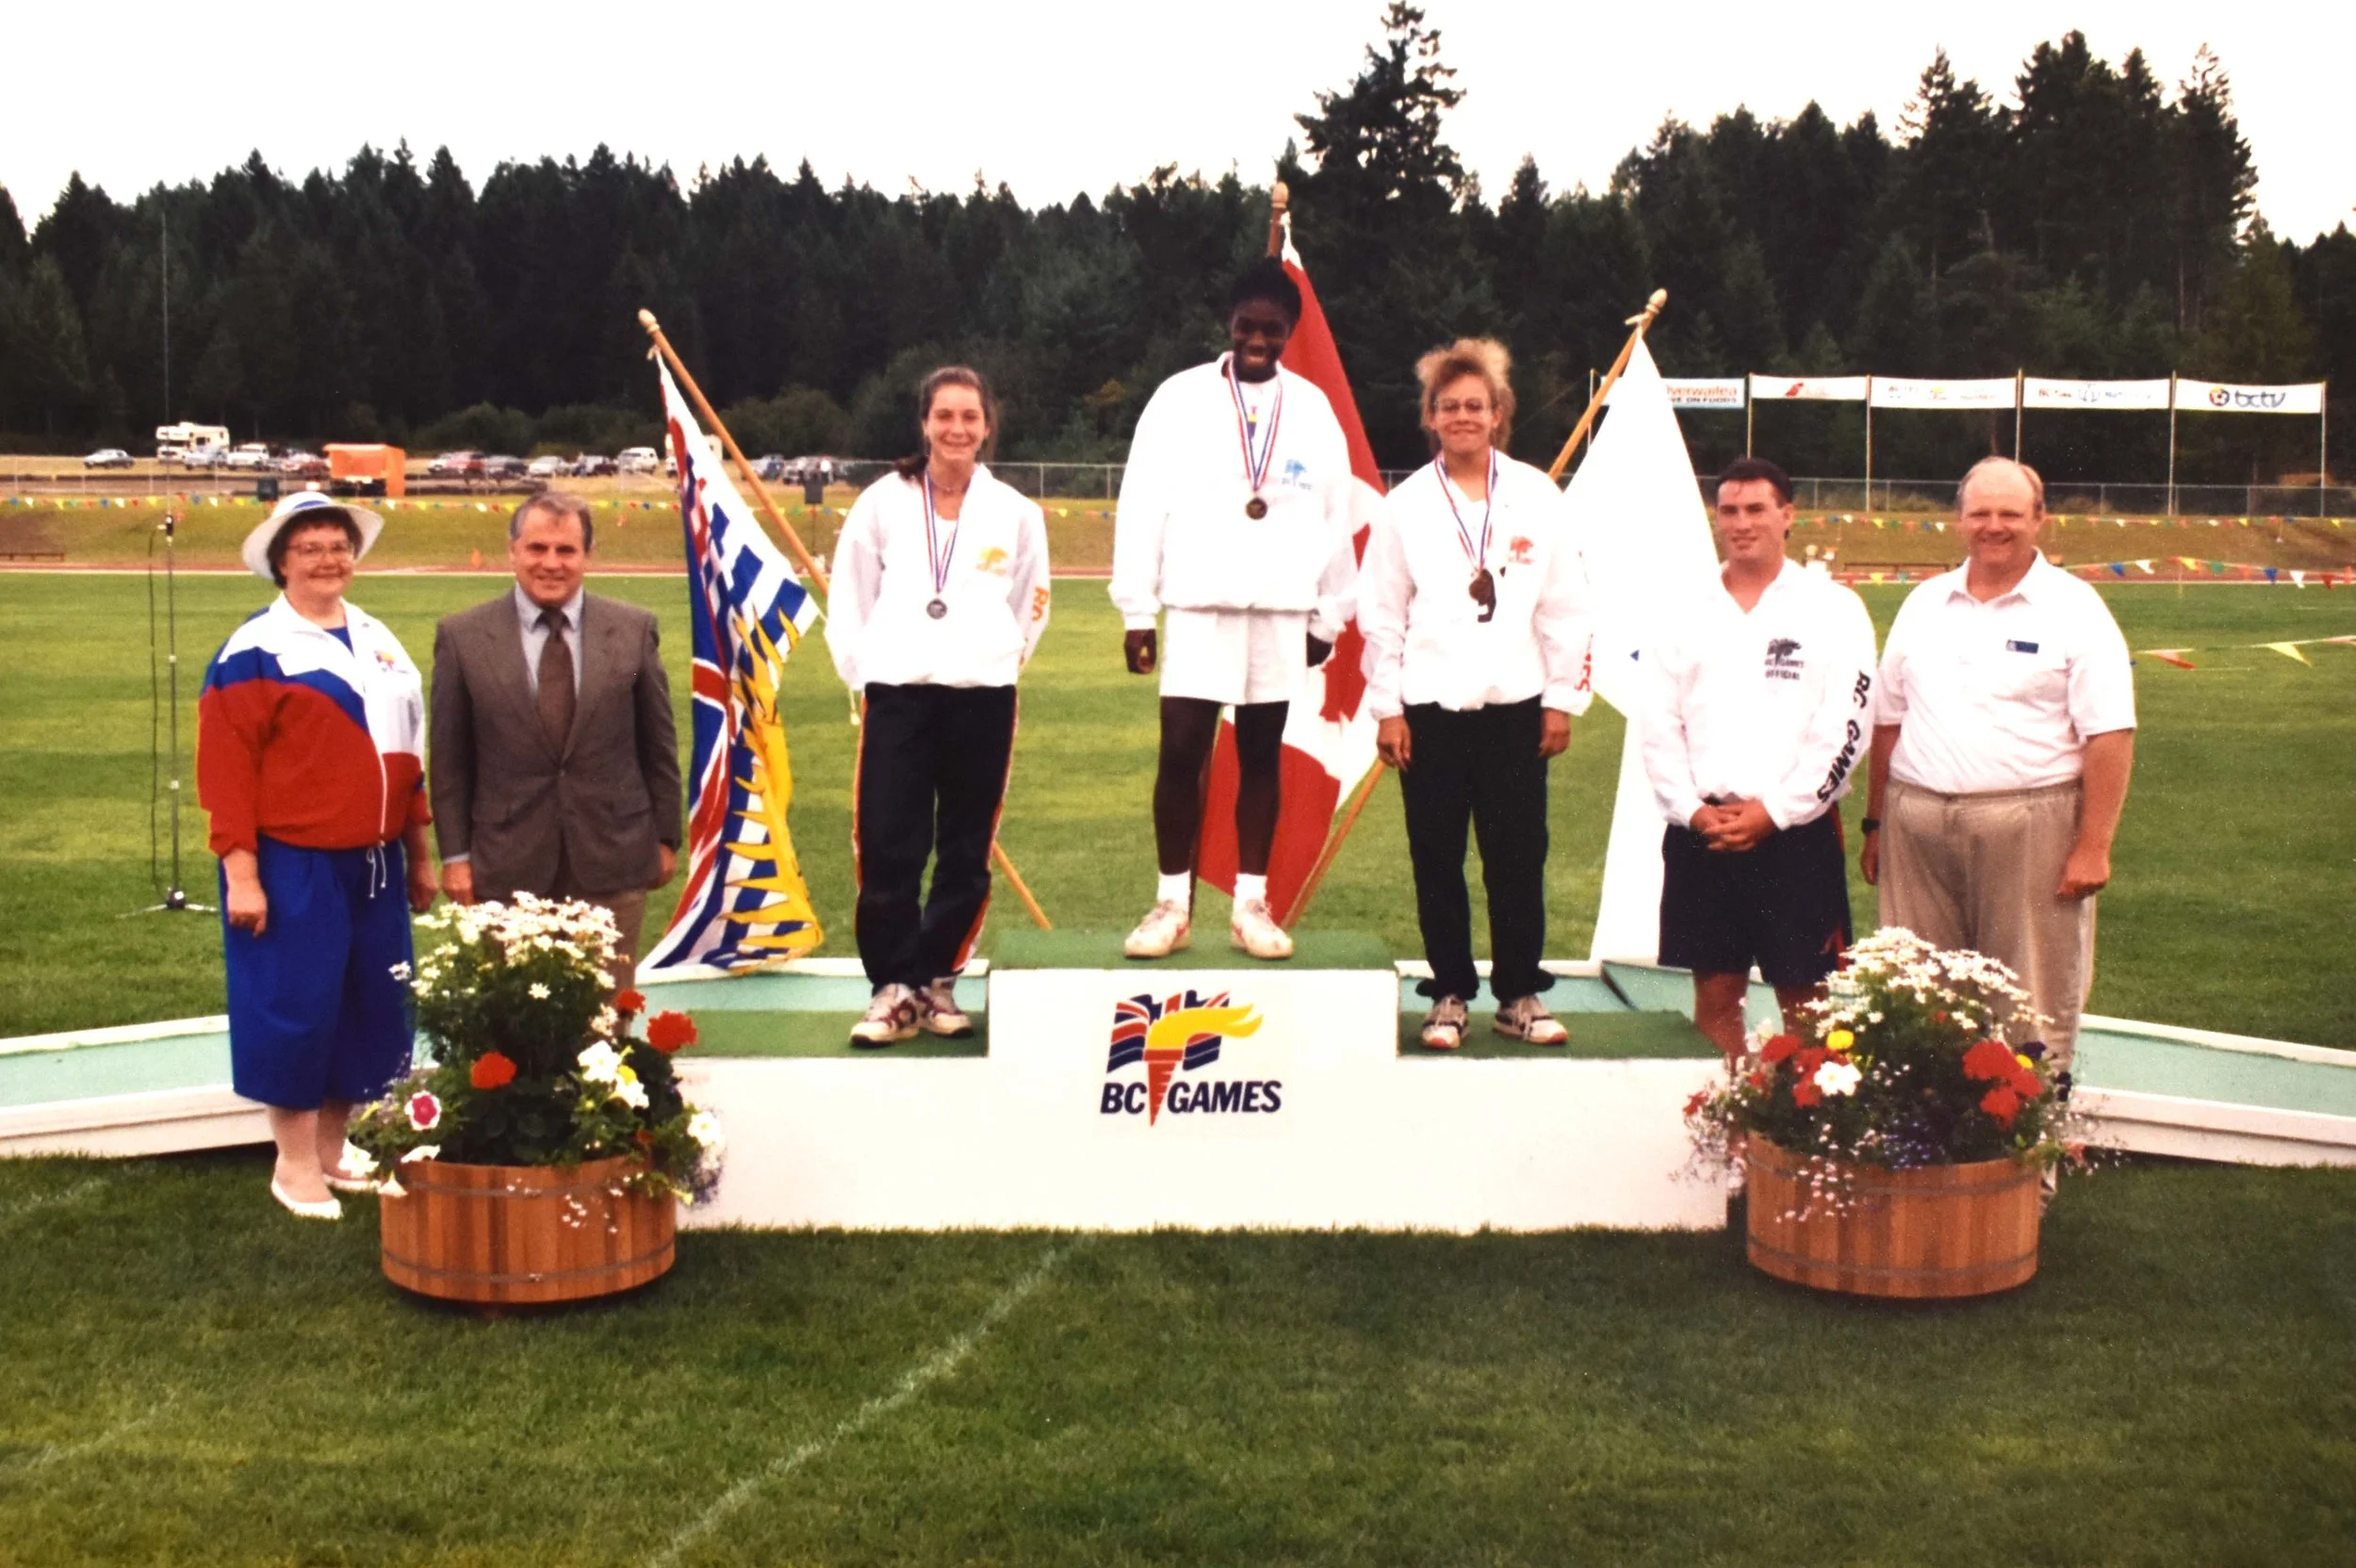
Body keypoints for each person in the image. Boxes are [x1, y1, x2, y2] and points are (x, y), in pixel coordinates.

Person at [198, 491, 438, 1220]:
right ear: (281, 563)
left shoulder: (378, 639)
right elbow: (225, 772)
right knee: (296, 1007)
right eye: (311, 548)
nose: (329, 559)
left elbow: (408, 758)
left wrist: (418, 854)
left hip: (376, 862)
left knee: (369, 1004)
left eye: (339, 545)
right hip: (292, 863)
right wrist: (243, 874)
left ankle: (334, 1150)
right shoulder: (253, 651)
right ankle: (294, 1164)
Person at [1110, 258, 1359, 960]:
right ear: (1229, 323)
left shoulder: (1312, 409)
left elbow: (1333, 516)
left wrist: (1326, 616)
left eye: (1272, 329)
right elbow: (1142, 503)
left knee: (1260, 756)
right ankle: (1169, 901)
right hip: (1198, 606)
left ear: (1289, 330)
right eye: (1248, 326)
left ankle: (1252, 901)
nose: (1259, 339)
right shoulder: (1178, 399)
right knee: (1182, 753)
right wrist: (1136, 608)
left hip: (1280, 610)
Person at [1360, 338, 1595, 1049]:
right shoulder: (1403, 506)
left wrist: (1561, 699)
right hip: (1429, 710)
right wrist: (1388, 709)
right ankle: (1450, 993)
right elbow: (1381, 612)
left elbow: (1565, 604)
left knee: (1518, 856)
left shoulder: (1536, 494)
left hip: (1515, 709)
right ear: (1430, 418)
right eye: (1449, 406)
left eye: (1476, 405)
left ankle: (1519, 992)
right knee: (1436, 857)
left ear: (1498, 414)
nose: (1463, 416)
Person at [1862, 456, 2135, 1066]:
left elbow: (2111, 734)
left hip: (2030, 826)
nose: (1994, 526)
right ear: (1959, 520)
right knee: (1918, 1003)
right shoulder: (1924, 603)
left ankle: (2028, 1154)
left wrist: (2093, 845)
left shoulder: (2075, 607)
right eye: (1980, 513)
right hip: (1918, 825)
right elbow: (1888, 721)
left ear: (2040, 519)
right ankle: (1928, 1152)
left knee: (2030, 1007)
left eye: (2010, 513)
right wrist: (1876, 824)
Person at [827, 366, 1050, 1045]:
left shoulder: (1016, 511)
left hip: (982, 696)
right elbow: (851, 596)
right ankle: (891, 987)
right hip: (898, 694)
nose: (957, 428)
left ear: (988, 426)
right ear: (924, 422)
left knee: (966, 846)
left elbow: (1032, 601)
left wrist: (999, 657)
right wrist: (869, 674)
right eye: (944, 415)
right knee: (890, 840)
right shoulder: (882, 502)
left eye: (969, 417)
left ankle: (938, 977)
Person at [1640, 457, 1879, 1056]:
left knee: (1810, 1005)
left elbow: (1847, 729)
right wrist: (1692, 812)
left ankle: (1805, 1143)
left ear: (1788, 515)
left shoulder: (1832, 608)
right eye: (1729, 511)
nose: (1741, 523)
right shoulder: (1682, 607)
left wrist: (1775, 811)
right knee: (1716, 999)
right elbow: (1659, 727)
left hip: (1796, 835)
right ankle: (1727, 1142)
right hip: (1705, 833)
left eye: (1756, 509)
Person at [429, 492, 681, 984]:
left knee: (606, 1021)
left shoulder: (632, 629)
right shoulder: (462, 636)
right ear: (512, 551)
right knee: (518, 1017)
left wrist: (665, 837)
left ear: (588, 554)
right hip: (506, 861)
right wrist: (456, 856)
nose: (550, 563)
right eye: (537, 548)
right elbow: (450, 763)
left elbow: (659, 747)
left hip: (614, 853)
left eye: (566, 551)